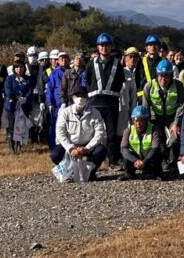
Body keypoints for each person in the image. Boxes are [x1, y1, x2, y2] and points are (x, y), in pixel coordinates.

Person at [85, 33, 125, 167]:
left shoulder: (117, 64)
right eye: (102, 45)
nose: (104, 48)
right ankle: (91, 159)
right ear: (97, 47)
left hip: (111, 104)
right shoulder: (91, 64)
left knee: (111, 134)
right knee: (92, 132)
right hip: (94, 103)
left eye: (107, 45)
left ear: (111, 47)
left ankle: (112, 160)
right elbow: (88, 81)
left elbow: (120, 82)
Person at [52, 85, 107, 180]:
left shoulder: (95, 113)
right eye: (77, 96)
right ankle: (69, 173)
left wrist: (87, 148)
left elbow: (100, 133)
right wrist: (70, 148)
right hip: (70, 145)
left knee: (101, 151)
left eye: (83, 96)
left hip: (88, 145)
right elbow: (60, 133)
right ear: (72, 97)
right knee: (55, 154)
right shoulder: (65, 113)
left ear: (87, 97)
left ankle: (90, 172)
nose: (80, 98)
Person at [142, 59, 184, 169]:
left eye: (166, 75)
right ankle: (161, 160)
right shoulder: (149, 86)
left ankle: (173, 161)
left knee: (174, 138)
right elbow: (145, 108)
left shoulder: (178, 86)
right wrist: (148, 126)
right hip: (155, 118)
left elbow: (181, 105)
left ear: (171, 75)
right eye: (161, 75)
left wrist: (176, 123)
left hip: (172, 118)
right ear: (157, 74)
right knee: (157, 140)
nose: (163, 78)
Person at [120, 105, 163, 181]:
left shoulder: (154, 130)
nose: (138, 124)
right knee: (126, 153)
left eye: (141, 120)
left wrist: (144, 162)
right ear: (133, 121)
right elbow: (123, 148)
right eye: (136, 120)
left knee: (157, 152)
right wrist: (136, 160)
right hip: (136, 160)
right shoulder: (128, 130)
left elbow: (155, 148)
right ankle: (129, 174)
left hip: (148, 159)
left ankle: (157, 173)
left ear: (146, 120)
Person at [4, 62, 33, 153]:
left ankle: (19, 146)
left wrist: (25, 98)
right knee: (12, 126)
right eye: (17, 67)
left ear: (24, 68)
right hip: (12, 106)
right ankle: (11, 148)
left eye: (21, 67)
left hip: (24, 106)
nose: (19, 69)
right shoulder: (9, 79)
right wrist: (17, 98)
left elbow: (30, 91)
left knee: (22, 126)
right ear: (14, 69)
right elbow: (8, 92)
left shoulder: (28, 79)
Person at [45, 51, 69, 150]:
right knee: (55, 125)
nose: (63, 60)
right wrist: (50, 103)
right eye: (61, 58)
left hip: (69, 103)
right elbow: (49, 89)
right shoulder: (54, 73)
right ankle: (53, 146)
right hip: (57, 104)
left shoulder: (71, 71)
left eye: (65, 58)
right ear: (58, 60)